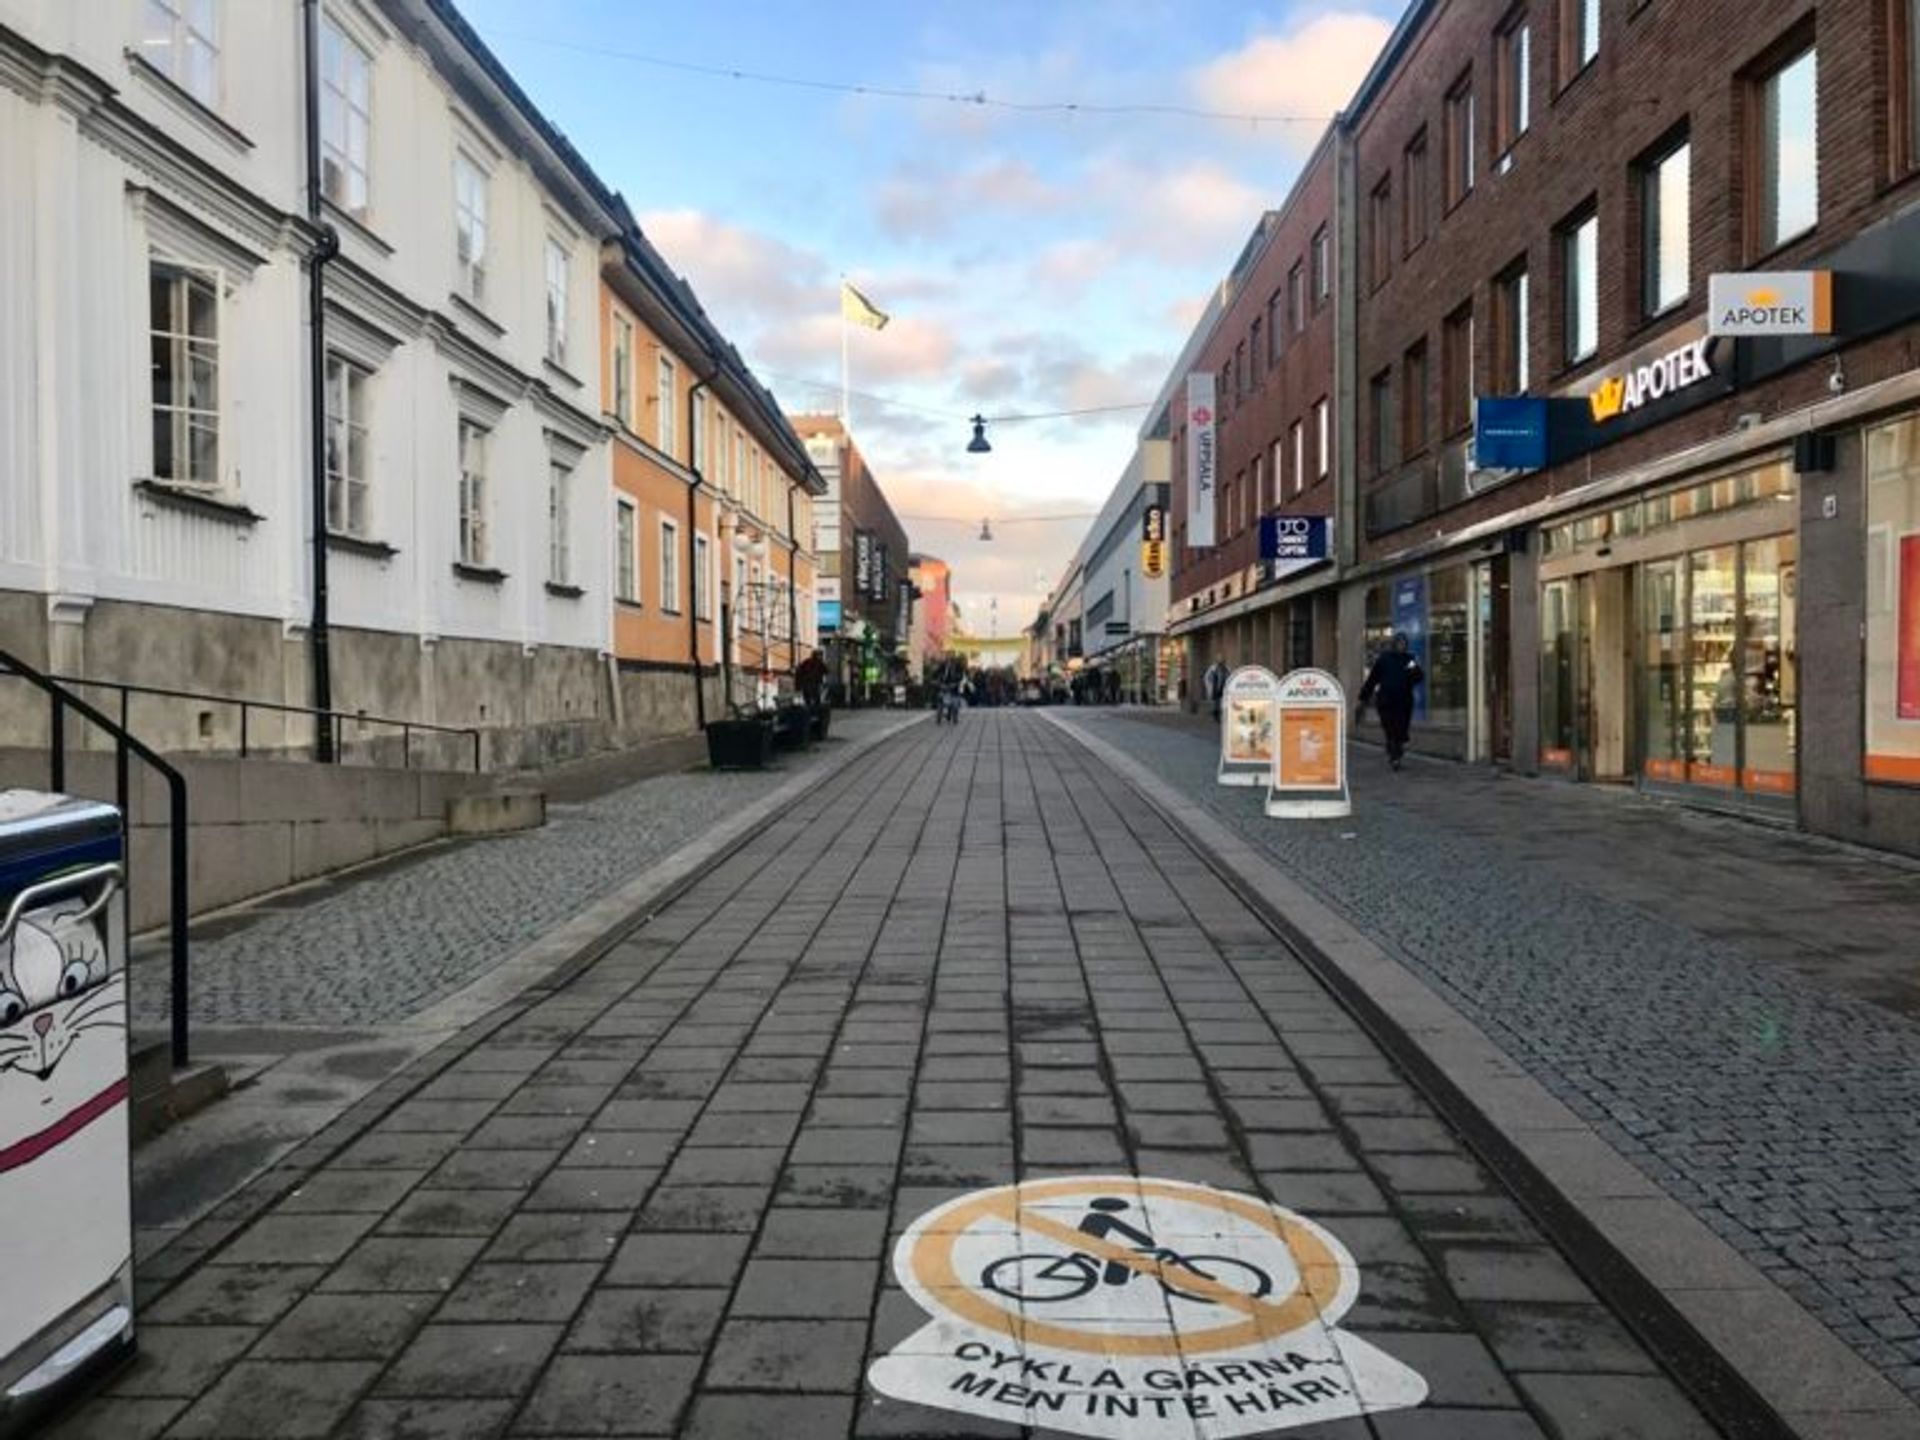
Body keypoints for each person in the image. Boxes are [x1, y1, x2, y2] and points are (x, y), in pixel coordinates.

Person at [1358, 633, 1424, 770]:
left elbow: (1419, 676)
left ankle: (1396, 754)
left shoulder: (1409, 659)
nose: (1402, 646)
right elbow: (1372, 679)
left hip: (1403, 701)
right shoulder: (1384, 659)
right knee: (1390, 729)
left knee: (1400, 730)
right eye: (1399, 643)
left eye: (1404, 644)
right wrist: (1363, 698)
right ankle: (1394, 754)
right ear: (1394, 644)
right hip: (1386, 701)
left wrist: (1412, 673)